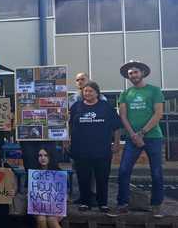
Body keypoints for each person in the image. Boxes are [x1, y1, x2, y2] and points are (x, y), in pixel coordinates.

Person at [111, 61, 165, 218]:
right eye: (130, 74)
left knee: (156, 173)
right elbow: (123, 116)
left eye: (135, 72)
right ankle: (122, 204)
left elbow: (158, 114)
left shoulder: (154, 90)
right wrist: (133, 135)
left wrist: (141, 133)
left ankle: (156, 205)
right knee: (123, 171)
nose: (133, 75)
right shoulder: (125, 94)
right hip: (131, 139)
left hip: (153, 137)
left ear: (142, 73)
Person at [68, 81, 121, 212]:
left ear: (97, 93)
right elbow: (69, 125)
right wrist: (66, 140)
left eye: (91, 91)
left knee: (102, 177)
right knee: (83, 177)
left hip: (102, 150)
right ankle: (85, 202)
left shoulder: (106, 107)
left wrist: (117, 143)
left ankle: (103, 203)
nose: (88, 93)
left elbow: (117, 127)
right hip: (81, 150)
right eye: (85, 91)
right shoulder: (76, 107)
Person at [33, 147, 65, 228]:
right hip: (39, 207)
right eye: (40, 155)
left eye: (45, 155)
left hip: (55, 207)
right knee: (41, 219)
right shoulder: (34, 173)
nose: (42, 158)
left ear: (50, 157)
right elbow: (30, 190)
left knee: (51, 219)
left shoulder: (58, 173)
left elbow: (64, 193)